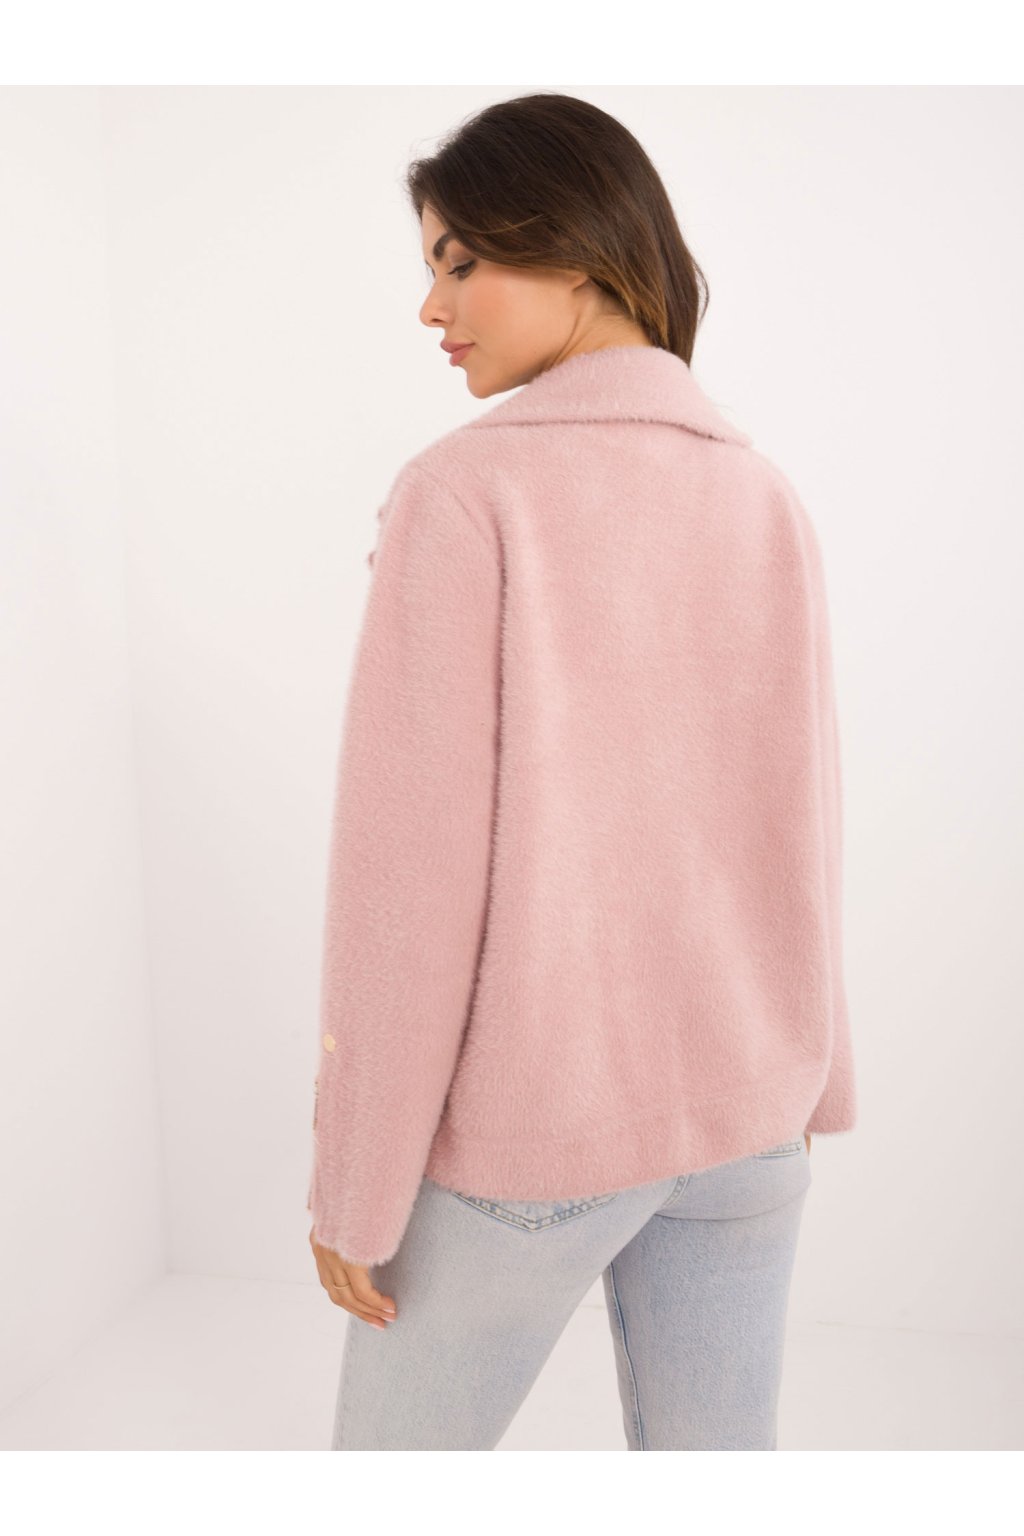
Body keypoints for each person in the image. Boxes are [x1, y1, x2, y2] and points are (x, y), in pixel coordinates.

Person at [307, 92, 857, 1451]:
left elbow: (408, 885)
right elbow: (802, 822)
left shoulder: (464, 496)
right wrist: (815, 1078)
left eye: (458, 262)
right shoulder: (763, 494)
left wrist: (356, 1187)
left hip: (536, 1143)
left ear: (575, 247)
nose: (432, 308)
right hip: (749, 1124)